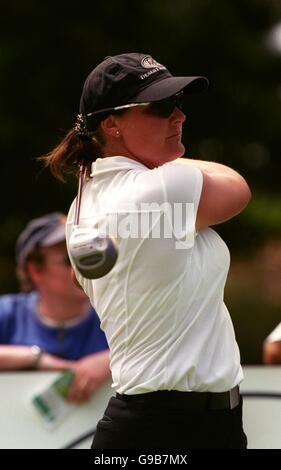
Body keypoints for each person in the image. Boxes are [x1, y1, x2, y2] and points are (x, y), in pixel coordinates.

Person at [40, 53, 251, 449]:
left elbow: (80, 274)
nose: (179, 116)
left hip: (177, 424)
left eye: (178, 104)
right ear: (111, 124)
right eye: (159, 107)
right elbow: (237, 186)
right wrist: (167, 165)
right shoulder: (159, 189)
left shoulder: (83, 206)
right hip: (165, 430)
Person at [0, 212, 110, 403]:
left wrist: (110, 361)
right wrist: (35, 359)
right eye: (70, 260)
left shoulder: (114, 314)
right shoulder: (8, 313)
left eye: (89, 254)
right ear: (35, 270)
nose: (85, 266)